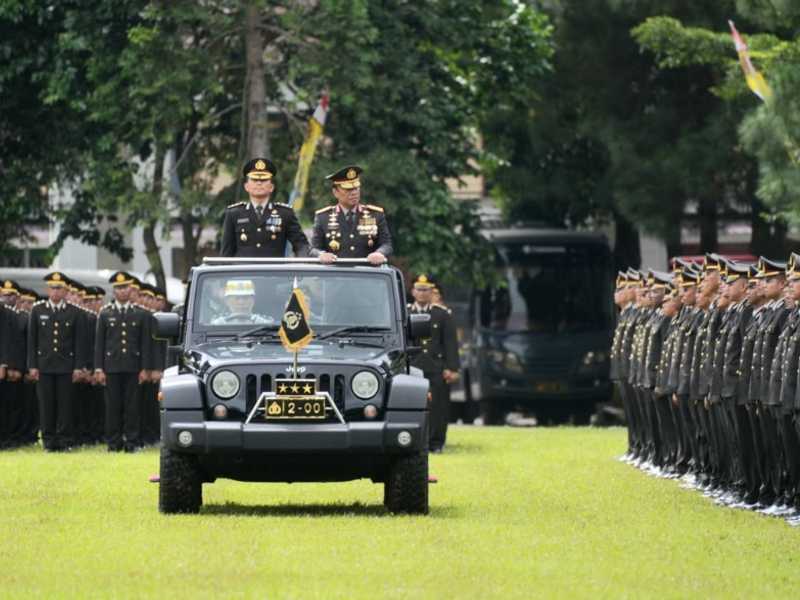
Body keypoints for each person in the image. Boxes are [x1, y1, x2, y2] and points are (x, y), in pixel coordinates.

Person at [27, 272, 88, 451]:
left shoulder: (74, 312)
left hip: (66, 366)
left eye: (59, 288)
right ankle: (48, 441)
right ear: (48, 289)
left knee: (65, 405)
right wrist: (32, 365)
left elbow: (79, 343)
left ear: (66, 290)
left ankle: (64, 440)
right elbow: (32, 340)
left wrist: (78, 367)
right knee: (46, 405)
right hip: (44, 365)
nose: (55, 291)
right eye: (52, 287)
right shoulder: (38, 310)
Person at [94, 271, 153, 452]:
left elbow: (145, 344)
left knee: (132, 407)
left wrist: (145, 368)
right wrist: (98, 368)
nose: (122, 291)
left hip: (133, 367)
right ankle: (113, 443)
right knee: (113, 407)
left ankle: (132, 442)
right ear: (114, 291)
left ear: (130, 289)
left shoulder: (140, 314)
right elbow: (99, 344)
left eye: (125, 287)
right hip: (111, 367)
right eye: (118, 288)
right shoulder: (105, 314)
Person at [221, 158, 314, 258]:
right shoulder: (234, 213)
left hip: (273, 272)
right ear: (246, 186)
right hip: (243, 273)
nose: (259, 183)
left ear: (271, 187)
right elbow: (226, 253)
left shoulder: (284, 213)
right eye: (254, 180)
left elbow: (301, 245)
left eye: (264, 180)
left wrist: (303, 262)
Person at [408, 274, 459, 452]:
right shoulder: (406, 313)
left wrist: (452, 368)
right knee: (410, 404)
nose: (422, 293)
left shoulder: (442, 314)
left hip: (436, 367)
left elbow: (450, 343)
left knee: (438, 406)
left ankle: (436, 442)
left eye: (426, 290)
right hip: (412, 366)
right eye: (419, 289)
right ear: (413, 291)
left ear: (432, 292)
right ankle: (413, 441)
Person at [312, 165, 392, 264]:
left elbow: (386, 244)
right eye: (348, 189)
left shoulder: (375, 214)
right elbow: (314, 249)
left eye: (356, 188)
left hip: (367, 274)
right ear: (335, 192)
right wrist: (322, 254)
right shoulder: (323, 217)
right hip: (334, 274)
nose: (354, 193)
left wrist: (379, 253)